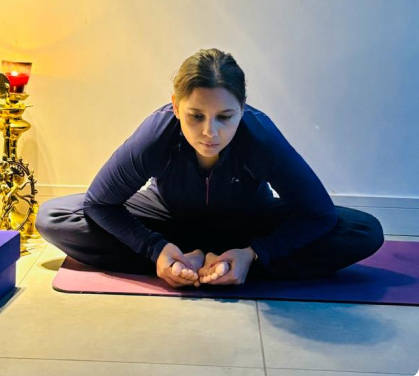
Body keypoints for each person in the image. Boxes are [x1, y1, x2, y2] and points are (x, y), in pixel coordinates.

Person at [36, 48, 384, 289]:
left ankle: (231, 264)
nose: (210, 132)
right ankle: (182, 262)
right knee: (55, 217)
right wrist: (155, 249)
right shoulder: (156, 135)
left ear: (243, 108)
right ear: (176, 107)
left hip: (248, 225)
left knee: (362, 230)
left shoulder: (261, 138)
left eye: (225, 117)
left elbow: (319, 214)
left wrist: (254, 253)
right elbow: (99, 203)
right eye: (196, 116)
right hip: (167, 221)